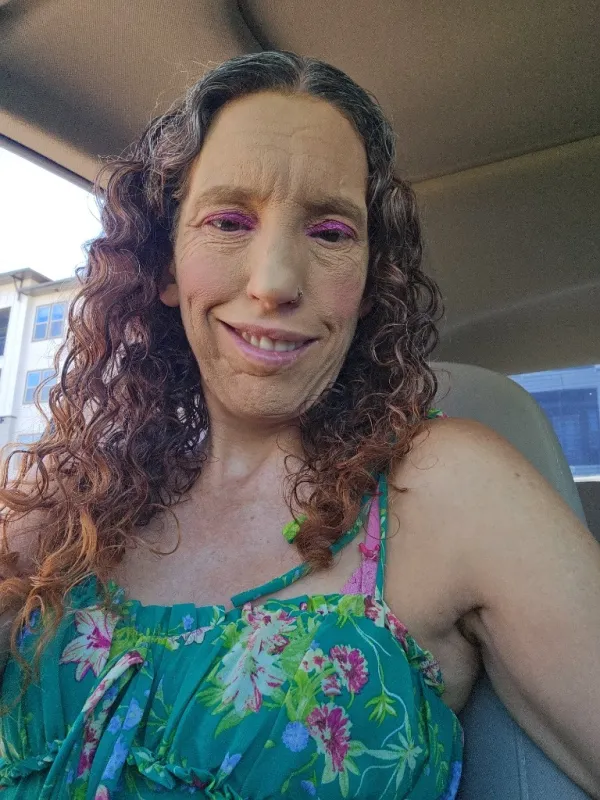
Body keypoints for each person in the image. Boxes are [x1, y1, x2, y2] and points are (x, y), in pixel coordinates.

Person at [0, 50, 598, 800]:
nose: (275, 282)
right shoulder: (64, 508)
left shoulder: (448, 488)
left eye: (331, 233)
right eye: (227, 221)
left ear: (371, 279)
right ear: (165, 265)